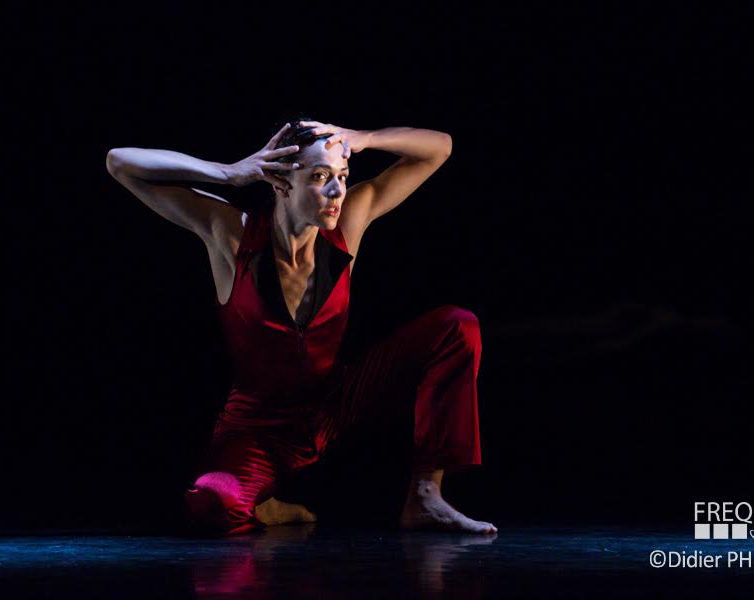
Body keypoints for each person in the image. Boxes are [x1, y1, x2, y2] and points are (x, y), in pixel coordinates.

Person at [105, 118, 497, 536]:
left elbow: (440, 146)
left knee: (457, 326)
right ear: (280, 183)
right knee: (211, 502)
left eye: (342, 177)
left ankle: (425, 496)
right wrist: (227, 172)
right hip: (259, 430)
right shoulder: (232, 236)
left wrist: (364, 139)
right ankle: (267, 506)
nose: (337, 192)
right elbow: (119, 163)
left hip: (336, 406)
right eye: (320, 177)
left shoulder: (349, 222)